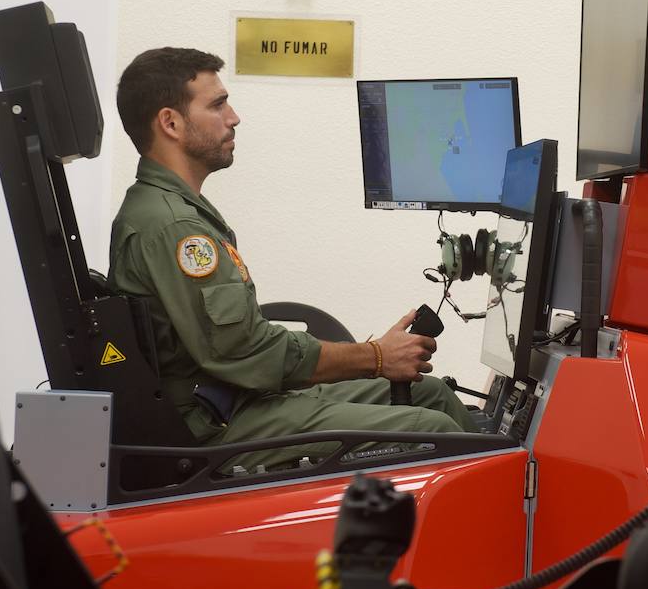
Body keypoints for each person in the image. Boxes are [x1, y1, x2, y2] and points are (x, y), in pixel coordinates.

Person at [107, 47, 476, 469]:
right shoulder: (173, 226)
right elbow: (244, 352)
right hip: (216, 420)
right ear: (170, 123)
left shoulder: (177, 211)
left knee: (434, 395)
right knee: (435, 432)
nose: (234, 117)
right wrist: (374, 357)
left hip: (234, 397)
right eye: (218, 104)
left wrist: (373, 357)